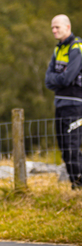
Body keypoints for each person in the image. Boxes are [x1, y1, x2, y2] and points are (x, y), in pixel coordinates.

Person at [45, 14, 82, 189]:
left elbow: (68, 78)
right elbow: (47, 79)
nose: (54, 30)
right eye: (52, 27)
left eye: (57, 27)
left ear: (67, 27)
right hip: (59, 104)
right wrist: (59, 79)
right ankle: (75, 184)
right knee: (64, 148)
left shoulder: (77, 48)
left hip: (75, 105)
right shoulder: (57, 49)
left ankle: (78, 185)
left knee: (72, 148)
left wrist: (57, 79)